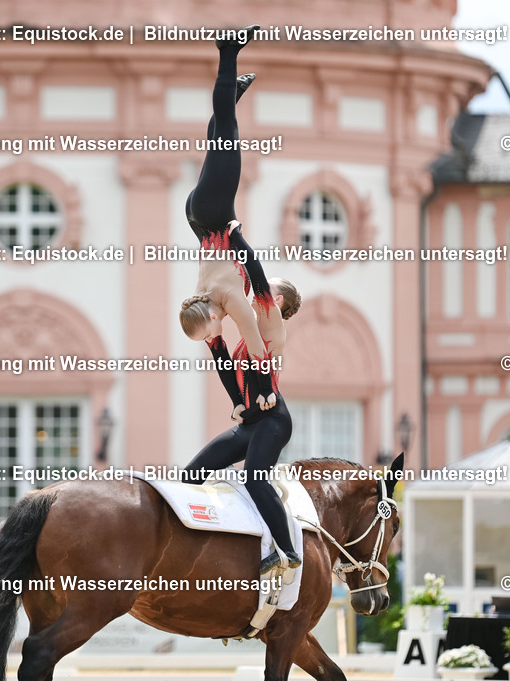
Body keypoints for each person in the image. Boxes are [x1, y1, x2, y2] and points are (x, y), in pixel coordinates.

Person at [178, 24, 277, 414]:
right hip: (199, 220)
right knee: (216, 146)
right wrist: (238, 402)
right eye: (211, 336)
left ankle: (228, 50)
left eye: (212, 331)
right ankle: (230, 96)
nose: (215, 338)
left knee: (227, 135)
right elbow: (222, 361)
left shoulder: (231, 302)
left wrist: (265, 391)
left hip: (214, 214)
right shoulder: (199, 309)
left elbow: (255, 347)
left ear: (213, 316)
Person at [184, 269, 302, 574]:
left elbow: (256, 278)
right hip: (251, 423)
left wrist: (234, 238)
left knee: (254, 478)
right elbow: (226, 365)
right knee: (192, 474)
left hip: (274, 421)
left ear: (274, 300)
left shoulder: (269, 325)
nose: (253, 293)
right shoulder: (250, 329)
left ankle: (287, 551)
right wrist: (213, 336)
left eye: (265, 290)